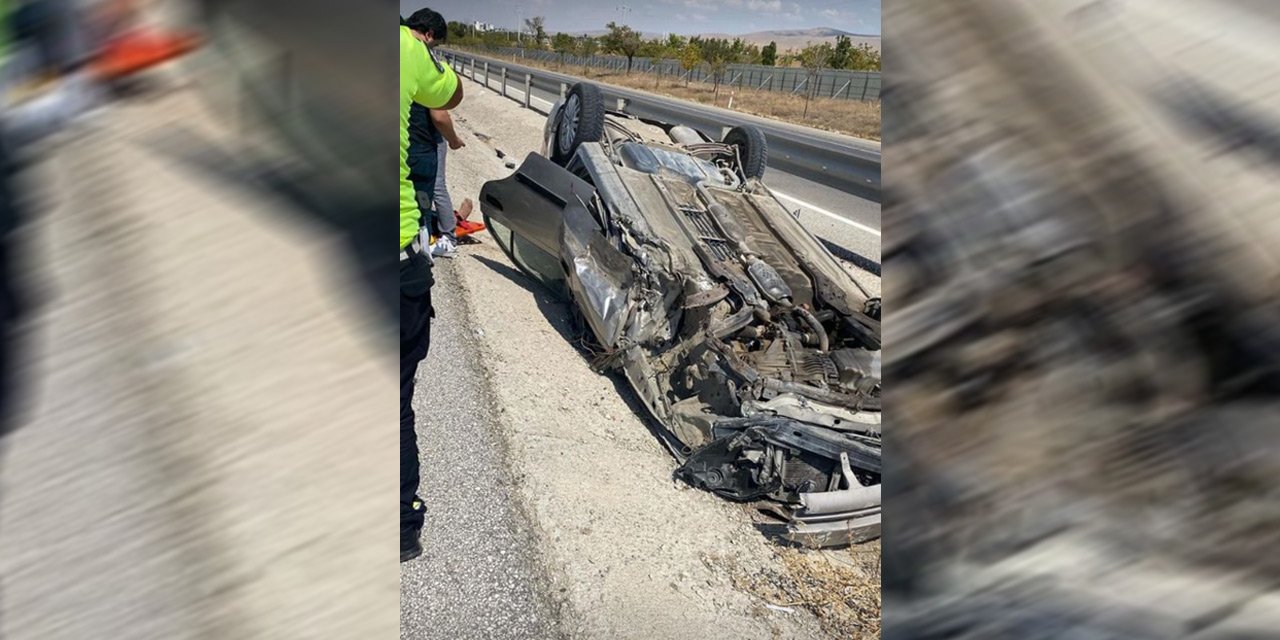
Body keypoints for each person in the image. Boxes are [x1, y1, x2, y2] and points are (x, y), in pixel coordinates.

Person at [400, 9, 461, 564]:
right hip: (394, 253)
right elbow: (447, 103)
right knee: (395, 402)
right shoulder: (412, 52)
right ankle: (400, 529)